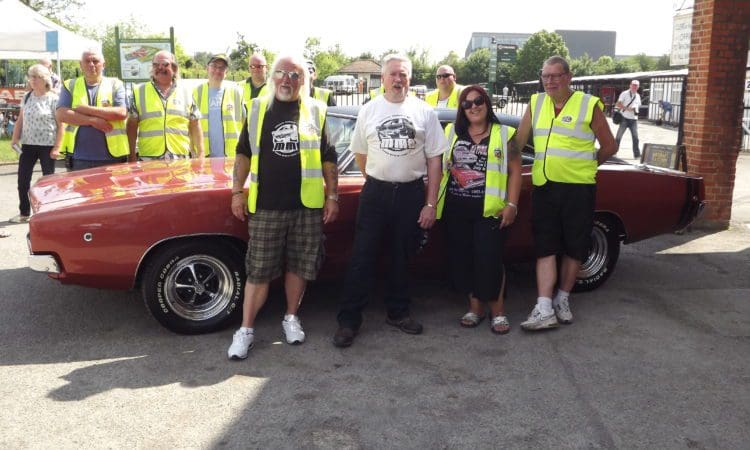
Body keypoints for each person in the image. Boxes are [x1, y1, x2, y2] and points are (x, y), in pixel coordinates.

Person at [227, 55, 339, 360]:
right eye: (281, 73)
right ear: (272, 76)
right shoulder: (257, 109)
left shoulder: (316, 110)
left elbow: (329, 157)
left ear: (304, 81)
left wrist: (332, 196)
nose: (287, 79)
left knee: (299, 266)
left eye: (295, 75)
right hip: (266, 206)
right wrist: (237, 192)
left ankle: (291, 318)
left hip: (307, 206)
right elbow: (242, 155)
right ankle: (246, 330)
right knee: (259, 270)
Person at [333, 54, 448, 348]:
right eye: (393, 74)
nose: (399, 80)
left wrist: (430, 203)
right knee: (362, 256)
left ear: (410, 79)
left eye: (404, 75)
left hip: (411, 193)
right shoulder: (369, 110)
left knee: (402, 255)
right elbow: (360, 154)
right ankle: (348, 321)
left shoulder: (425, 112)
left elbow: (435, 160)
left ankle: (398, 312)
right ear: (383, 78)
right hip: (375, 193)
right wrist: (378, 177)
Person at [514, 55, 616, 331]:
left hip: (578, 188)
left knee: (574, 246)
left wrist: (586, 166)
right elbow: (518, 142)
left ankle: (562, 299)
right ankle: (544, 307)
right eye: (545, 76)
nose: (550, 81)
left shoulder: (587, 104)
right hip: (544, 186)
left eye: (555, 76)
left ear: (569, 77)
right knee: (544, 246)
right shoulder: (535, 103)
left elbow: (609, 145)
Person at [436, 85, 522, 334]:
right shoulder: (451, 131)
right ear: (461, 109)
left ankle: (498, 312)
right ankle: (475, 309)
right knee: (465, 260)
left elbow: (515, 171)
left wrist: (512, 205)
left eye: (478, 101)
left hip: (490, 211)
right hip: (456, 209)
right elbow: (439, 165)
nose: (473, 107)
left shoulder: (503, 133)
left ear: (487, 103)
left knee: (490, 261)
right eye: (467, 103)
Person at [56, 49, 129, 170]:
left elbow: (121, 113)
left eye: (95, 61)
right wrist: (93, 121)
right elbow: (62, 114)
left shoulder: (115, 84)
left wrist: (86, 109)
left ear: (103, 64)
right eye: (87, 61)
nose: (91, 64)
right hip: (79, 158)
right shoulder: (70, 85)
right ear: (81, 64)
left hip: (113, 157)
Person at [9, 64, 63, 223]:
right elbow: (20, 120)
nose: (32, 80)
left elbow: (61, 125)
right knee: (22, 180)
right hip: (28, 145)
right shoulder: (26, 97)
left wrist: (57, 147)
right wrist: (15, 139)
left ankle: (49, 211)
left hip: (48, 145)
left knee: (48, 181)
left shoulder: (54, 99)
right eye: (30, 76)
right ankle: (24, 212)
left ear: (44, 79)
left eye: (35, 76)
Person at [127, 51, 204, 161]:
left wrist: (201, 154)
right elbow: (131, 126)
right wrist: (131, 155)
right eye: (156, 65)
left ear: (174, 68)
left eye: (165, 64)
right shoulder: (139, 91)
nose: (160, 68)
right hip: (149, 160)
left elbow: (195, 124)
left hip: (180, 160)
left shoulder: (186, 92)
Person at [192, 54, 244, 157]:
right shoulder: (196, 92)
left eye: (222, 68)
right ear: (207, 68)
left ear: (226, 72)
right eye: (214, 66)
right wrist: (192, 149)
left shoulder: (236, 93)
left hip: (231, 157)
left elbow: (245, 125)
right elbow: (189, 125)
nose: (217, 70)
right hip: (203, 156)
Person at [614, 80, 642, 158]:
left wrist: (634, 108)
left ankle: (637, 155)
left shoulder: (638, 96)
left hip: (634, 119)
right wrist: (626, 108)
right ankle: (613, 152)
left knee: (636, 138)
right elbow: (618, 104)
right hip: (624, 118)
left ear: (638, 87)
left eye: (636, 85)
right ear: (630, 85)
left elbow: (638, 105)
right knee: (619, 136)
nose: (634, 87)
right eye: (633, 85)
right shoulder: (625, 93)